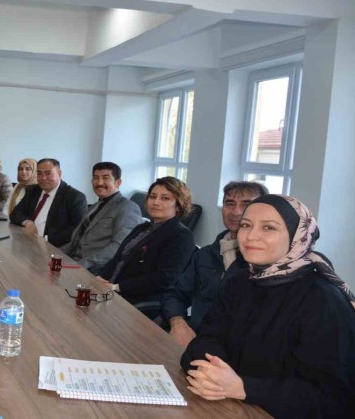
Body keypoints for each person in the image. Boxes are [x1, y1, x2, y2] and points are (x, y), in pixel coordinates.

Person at [182, 195, 355, 418]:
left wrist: (243, 387)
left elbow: (333, 399)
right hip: (229, 405)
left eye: (269, 228)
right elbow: (207, 338)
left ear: (297, 235)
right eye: (246, 225)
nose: (251, 236)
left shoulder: (324, 300)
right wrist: (213, 371)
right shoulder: (240, 280)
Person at [163, 181, 267, 346]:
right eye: (229, 204)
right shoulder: (205, 255)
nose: (236, 211)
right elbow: (176, 294)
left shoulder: (268, 261)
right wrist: (178, 322)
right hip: (198, 340)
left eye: (246, 204)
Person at [90, 176, 195, 317]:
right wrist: (100, 277)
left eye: (165, 198)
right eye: (152, 196)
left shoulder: (181, 235)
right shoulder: (142, 228)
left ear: (178, 205)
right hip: (112, 292)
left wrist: (117, 287)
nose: (156, 202)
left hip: (140, 301)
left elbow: (165, 278)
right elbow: (118, 259)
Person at [61, 162, 143, 269]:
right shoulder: (94, 206)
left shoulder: (127, 207)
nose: (99, 183)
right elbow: (75, 242)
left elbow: (120, 246)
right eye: (96, 178)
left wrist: (84, 264)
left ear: (118, 182)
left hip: (96, 270)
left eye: (105, 178)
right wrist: (55, 255)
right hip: (73, 263)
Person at [9, 158, 86, 247]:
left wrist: (44, 240)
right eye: (39, 173)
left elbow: (77, 230)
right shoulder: (33, 190)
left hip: (53, 247)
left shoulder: (74, 197)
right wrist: (28, 222)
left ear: (59, 174)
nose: (43, 178)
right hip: (26, 242)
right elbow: (15, 213)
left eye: (48, 173)